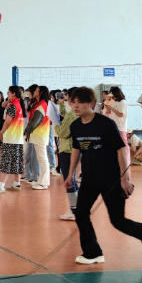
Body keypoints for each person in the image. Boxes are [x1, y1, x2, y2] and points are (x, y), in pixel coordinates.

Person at [65, 87, 142, 265]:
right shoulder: (75, 126)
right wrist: (70, 174)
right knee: (81, 213)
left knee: (117, 221)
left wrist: (124, 179)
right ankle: (92, 253)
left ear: (91, 104)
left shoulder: (105, 124)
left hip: (111, 179)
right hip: (89, 178)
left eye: (80, 102)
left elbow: (120, 150)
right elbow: (77, 149)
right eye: (73, 102)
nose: (75, 106)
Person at [0, 86, 27, 194]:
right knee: (17, 161)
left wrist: (1, 132)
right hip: (18, 138)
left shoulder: (12, 106)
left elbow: (7, 122)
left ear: (14, 94)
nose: (7, 94)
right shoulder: (19, 104)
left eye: (8, 93)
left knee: (6, 161)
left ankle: (1, 185)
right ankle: (17, 183)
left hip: (11, 137)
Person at [54, 89, 79, 220]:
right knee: (72, 178)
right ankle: (78, 207)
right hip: (75, 148)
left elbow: (62, 133)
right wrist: (61, 104)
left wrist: (55, 123)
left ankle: (74, 210)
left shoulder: (71, 115)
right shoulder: (77, 113)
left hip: (67, 149)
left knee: (69, 180)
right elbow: (65, 115)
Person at [24, 85, 52, 190]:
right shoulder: (39, 104)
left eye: (36, 90)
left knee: (42, 158)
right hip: (38, 135)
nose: (34, 91)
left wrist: (27, 131)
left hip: (40, 135)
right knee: (41, 158)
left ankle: (44, 182)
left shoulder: (42, 105)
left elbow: (35, 121)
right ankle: (41, 181)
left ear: (40, 93)